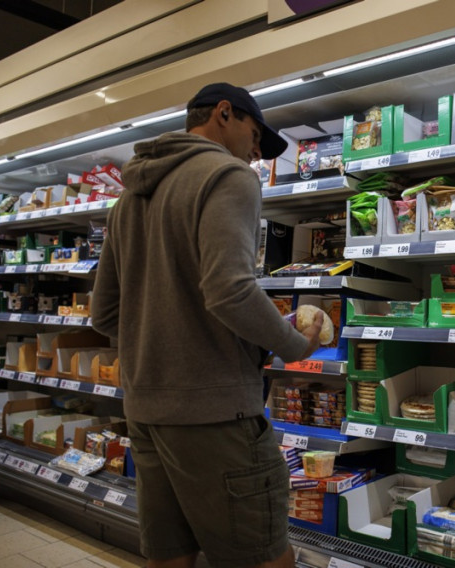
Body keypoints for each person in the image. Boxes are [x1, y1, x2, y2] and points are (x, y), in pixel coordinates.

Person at [91, 82, 322, 568]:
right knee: (263, 558)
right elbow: (229, 291)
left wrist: (163, 344)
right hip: (216, 417)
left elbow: (105, 314)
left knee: (170, 557)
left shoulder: (128, 199)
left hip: (146, 412)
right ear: (223, 113)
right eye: (255, 137)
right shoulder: (228, 176)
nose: (256, 154)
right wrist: (293, 343)